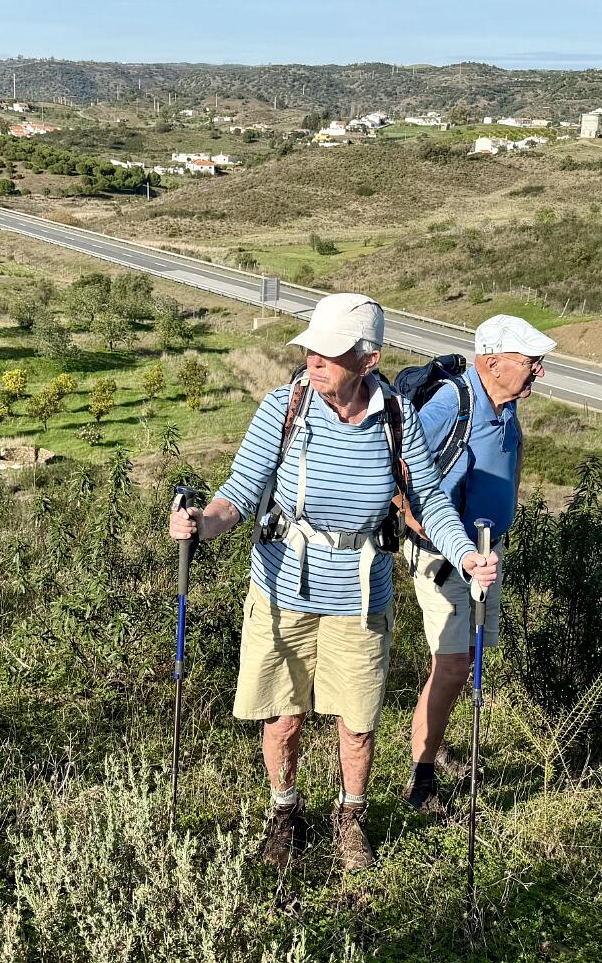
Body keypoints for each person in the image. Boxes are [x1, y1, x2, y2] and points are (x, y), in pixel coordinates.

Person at [168, 293, 496, 871]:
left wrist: (466, 555)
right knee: (283, 716)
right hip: (281, 590)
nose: (314, 361)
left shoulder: (396, 419)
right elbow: (238, 494)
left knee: (358, 722)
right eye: (311, 350)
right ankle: (285, 813)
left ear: (369, 359)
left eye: (330, 353)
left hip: (361, 596)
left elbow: (430, 503)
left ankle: (350, 817)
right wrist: (200, 523)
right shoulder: (284, 408)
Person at [400, 314, 557, 815]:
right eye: (531, 361)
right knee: (452, 664)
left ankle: (433, 743)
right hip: (446, 557)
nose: (538, 371)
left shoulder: (507, 404)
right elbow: (396, 468)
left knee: (462, 660)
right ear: (492, 361)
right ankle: (421, 779)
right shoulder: (452, 404)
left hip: (487, 552)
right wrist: (423, 526)